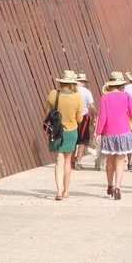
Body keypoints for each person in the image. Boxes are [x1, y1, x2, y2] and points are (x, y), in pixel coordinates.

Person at [95, 72, 132, 200]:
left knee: (110, 161)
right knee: (120, 161)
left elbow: (103, 117)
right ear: (121, 85)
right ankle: (118, 188)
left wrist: (98, 132)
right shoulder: (127, 96)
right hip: (124, 131)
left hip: (109, 132)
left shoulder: (105, 98)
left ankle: (109, 185)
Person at [46, 70, 86, 200]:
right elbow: (79, 119)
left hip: (57, 132)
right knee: (68, 161)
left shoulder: (53, 95)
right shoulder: (77, 97)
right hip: (71, 132)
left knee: (58, 160)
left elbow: (47, 114)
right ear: (72, 84)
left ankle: (58, 191)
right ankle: (66, 191)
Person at [73, 72, 96, 169]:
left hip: (72, 117)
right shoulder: (87, 92)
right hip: (83, 117)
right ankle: (78, 161)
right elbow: (92, 106)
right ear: (84, 82)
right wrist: (94, 117)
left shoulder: (72, 90)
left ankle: (71, 160)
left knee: (73, 139)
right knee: (83, 140)